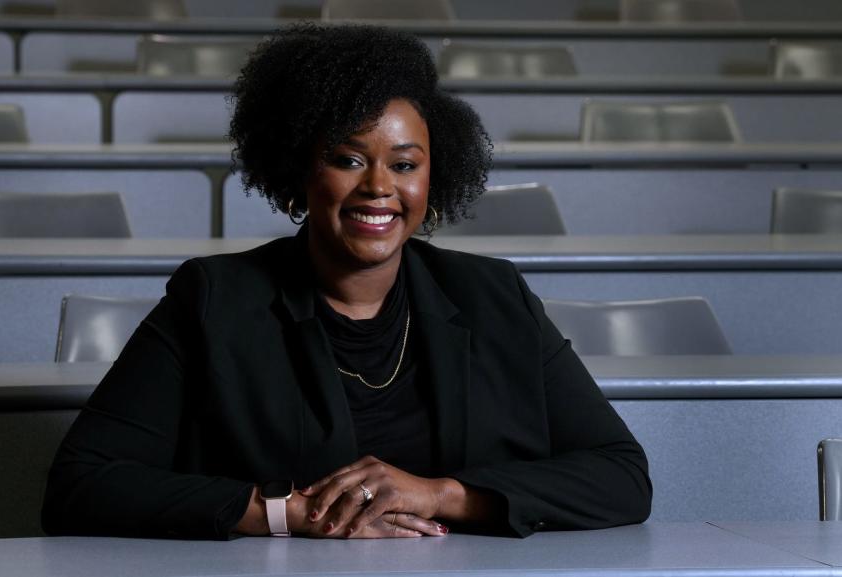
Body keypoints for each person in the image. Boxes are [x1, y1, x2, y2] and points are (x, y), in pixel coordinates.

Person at [42, 24, 651, 540]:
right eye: (348, 159)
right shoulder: (214, 300)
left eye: (405, 164)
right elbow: (81, 484)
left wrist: (440, 495)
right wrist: (291, 514)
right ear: (300, 170)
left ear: (431, 180)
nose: (379, 187)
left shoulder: (494, 296)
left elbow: (622, 475)